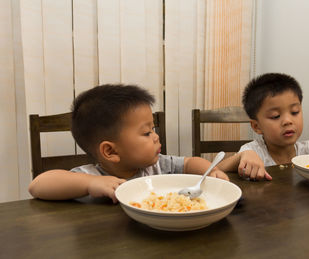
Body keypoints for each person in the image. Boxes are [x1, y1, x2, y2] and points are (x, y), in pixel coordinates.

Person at [29, 84, 228, 203]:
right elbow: (37, 185)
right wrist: (89, 185)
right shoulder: (93, 176)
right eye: (146, 132)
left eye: (154, 129)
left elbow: (189, 163)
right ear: (110, 151)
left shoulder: (157, 166)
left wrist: (209, 172)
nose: (156, 137)